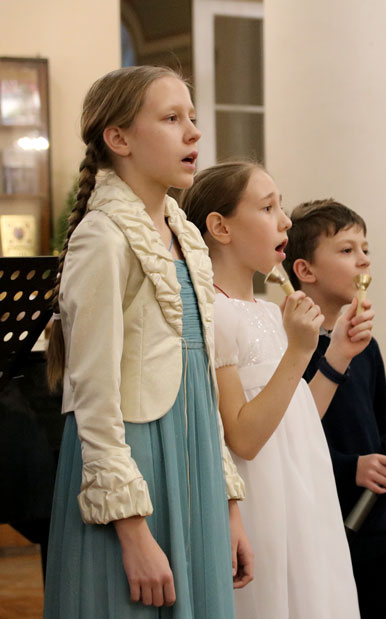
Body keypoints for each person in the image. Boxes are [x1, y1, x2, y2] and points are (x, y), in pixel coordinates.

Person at [42, 66, 251, 618]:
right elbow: (92, 395)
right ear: (119, 138)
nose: (193, 133)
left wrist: (227, 505)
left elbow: (203, 382)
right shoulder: (103, 237)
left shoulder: (186, 237)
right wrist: (132, 529)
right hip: (136, 464)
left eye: (192, 118)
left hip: (193, 457)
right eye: (171, 118)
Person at [181, 162, 369, 618]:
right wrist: (300, 352)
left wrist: (337, 355)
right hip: (262, 502)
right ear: (221, 227)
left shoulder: (269, 312)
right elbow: (244, 437)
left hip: (303, 496)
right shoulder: (214, 314)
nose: (285, 221)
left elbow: (297, 417)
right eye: (268, 208)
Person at [285, 199, 386, 618]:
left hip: (373, 522)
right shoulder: (289, 347)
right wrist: (351, 467)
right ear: (305, 270)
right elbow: (288, 438)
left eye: (365, 249)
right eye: (346, 250)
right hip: (321, 524)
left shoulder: (367, 347)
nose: (363, 260)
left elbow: (377, 429)